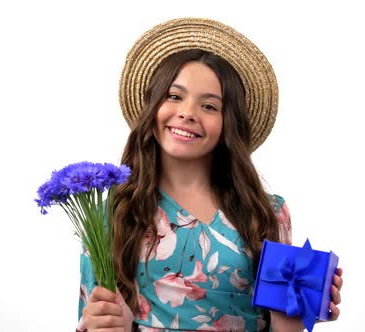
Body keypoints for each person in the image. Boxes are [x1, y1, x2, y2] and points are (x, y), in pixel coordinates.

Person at [76, 18, 343, 332]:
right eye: (174, 96)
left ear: (228, 124)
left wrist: (297, 312)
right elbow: (92, 319)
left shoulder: (268, 214)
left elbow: (286, 328)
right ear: (153, 108)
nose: (188, 112)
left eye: (209, 105)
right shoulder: (114, 212)